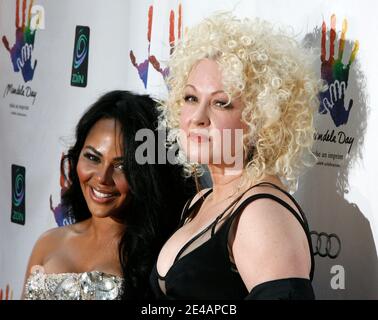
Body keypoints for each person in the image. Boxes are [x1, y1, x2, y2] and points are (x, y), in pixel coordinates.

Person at [150, 12, 321, 299]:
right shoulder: (200, 201)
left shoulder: (260, 213)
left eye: (222, 103)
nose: (198, 118)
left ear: (263, 119)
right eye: (191, 98)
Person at [22, 90, 194, 300]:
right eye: (93, 157)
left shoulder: (162, 260)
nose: (103, 178)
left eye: (122, 165)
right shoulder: (49, 242)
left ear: (148, 175)